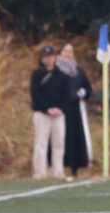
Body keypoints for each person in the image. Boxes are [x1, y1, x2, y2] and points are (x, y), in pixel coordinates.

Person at [31, 45, 69, 179]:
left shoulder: (62, 75)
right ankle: (40, 171)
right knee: (41, 143)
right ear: (41, 59)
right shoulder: (36, 75)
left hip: (59, 114)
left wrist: (60, 108)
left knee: (59, 143)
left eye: (51, 56)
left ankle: (58, 171)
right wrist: (46, 108)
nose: (48, 59)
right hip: (42, 113)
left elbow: (66, 95)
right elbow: (35, 94)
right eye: (45, 57)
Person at [56, 43, 93, 180]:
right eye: (66, 51)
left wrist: (83, 92)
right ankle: (57, 168)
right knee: (59, 139)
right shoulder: (55, 70)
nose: (68, 54)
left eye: (71, 52)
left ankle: (74, 168)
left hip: (75, 110)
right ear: (60, 53)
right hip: (60, 109)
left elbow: (87, 88)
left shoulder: (78, 71)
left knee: (75, 139)